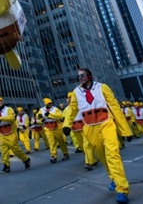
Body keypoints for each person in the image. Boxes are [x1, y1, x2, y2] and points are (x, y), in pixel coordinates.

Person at [63, 68, 132, 204]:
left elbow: (115, 107)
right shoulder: (77, 92)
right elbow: (72, 109)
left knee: (112, 154)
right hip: (89, 128)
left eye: (83, 75)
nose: (80, 78)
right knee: (101, 155)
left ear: (89, 76)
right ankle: (113, 177)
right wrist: (66, 124)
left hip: (106, 124)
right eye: (79, 76)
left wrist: (125, 130)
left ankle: (122, 189)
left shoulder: (102, 87)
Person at [0, 97, 31, 173]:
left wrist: (1, 118)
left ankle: (25, 159)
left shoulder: (8, 109)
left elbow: (12, 118)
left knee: (15, 149)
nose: (0, 102)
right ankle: (6, 166)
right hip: (1, 133)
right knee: (3, 150)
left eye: (1, 101)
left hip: (11, 133)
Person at [38, 98, 69, 163]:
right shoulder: (41, 110)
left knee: (61, 141)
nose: (50, 104)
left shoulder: (55, 109)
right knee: (51, 143)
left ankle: (65, 153)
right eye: (48, 103)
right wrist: (39, 117)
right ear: (45, 104)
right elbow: (38, 116)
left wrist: (49, 115)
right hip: (47, 127)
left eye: (51, 103)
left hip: (56, 127)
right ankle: (53, 156)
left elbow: (60, 116)